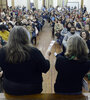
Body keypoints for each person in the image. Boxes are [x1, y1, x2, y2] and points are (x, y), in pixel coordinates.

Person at [0, 26, 50, 95]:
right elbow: (45, 68)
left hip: (10, 87)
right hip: (31, 89)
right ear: (26, 37)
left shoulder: (2, 51)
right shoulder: (34, 52)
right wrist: (47, 56)